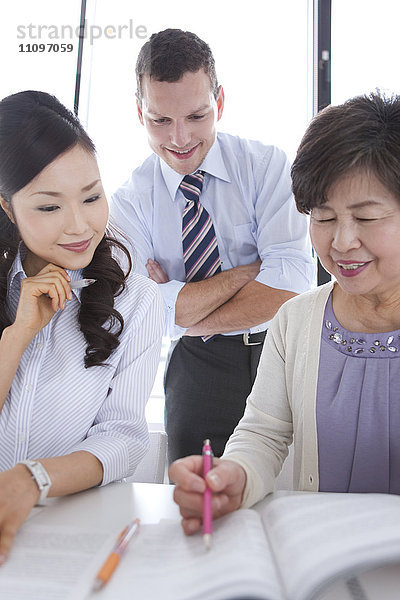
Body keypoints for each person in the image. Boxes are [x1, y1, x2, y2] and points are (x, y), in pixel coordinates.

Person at [170, 91, 400, 535]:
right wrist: (235, 476)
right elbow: (263, 434)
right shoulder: (296, 321)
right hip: (325, 559)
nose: (341, 242)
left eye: (366, 217)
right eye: (324, 217)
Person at [110, 29, 315, 462]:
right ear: (138, 111)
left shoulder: (265, 167)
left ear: (219, 103)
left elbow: (291, 284)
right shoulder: (129, 202)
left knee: (296, 493)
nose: (180, 138)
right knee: (197, 498)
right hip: (195, 368)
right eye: (160, 120)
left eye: (197, 116)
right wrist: (248, 272)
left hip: (280, 349)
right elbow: (146, 308)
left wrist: (186, 313)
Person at [0, 90, 164, 563]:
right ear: (7, 207)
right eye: (49, 207)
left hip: (72, 527)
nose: (79, 226)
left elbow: (124, 436)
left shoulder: (135, 297)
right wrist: (17, 337)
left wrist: (33, 479)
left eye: (91, 197)